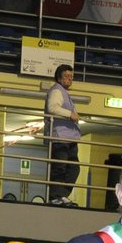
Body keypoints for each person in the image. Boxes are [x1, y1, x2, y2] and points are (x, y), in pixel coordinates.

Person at [44, 64, 81, 207]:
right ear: (59, 77)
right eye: (67, 76)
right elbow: (52, 108)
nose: (70, 79)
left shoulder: (65, 93)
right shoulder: (57, 91)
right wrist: (70, 114)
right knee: (60, 167)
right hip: (60, 136)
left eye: (71, 77)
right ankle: (56, 196)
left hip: (69, 138)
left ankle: (62, 194)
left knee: (73, 168)